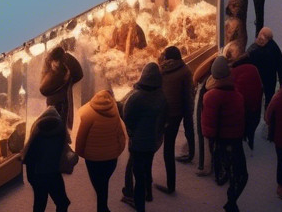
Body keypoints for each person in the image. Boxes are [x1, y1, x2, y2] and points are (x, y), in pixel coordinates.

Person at [201, 56, 248, 212]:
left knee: (232, 170)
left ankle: (230, 198)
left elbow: (208, 124)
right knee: (241, 175)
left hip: (223, 141)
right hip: (232, 140)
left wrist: (212, 141)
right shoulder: (236, 94)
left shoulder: (210, 96)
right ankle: (231, 202)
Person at [121, 62, 167, 212]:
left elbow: (127, 116)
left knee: (138, 174)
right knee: (148, 166)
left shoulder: (136, 97)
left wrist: (132, 132)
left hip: (138, 143)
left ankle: (139, 205)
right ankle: (149, 193)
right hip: (154, 141)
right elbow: (164, 118)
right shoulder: (161, 96)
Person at [75, 89, 127, 212]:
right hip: (111, 158)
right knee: (104, 182)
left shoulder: (86, 112)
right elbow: (120, 132)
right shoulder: (114, 109)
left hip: (93, 158)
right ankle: (103, 207)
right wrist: (119, 149)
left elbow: (81, 138)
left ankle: (102, 207)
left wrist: (81, 153)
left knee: (99, 184)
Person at [157, 46, 194, 195]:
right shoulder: (185, 70)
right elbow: (188, 95)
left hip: (161, 113)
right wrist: (188, 114)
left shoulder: (160, 70)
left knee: (150, 145)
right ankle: (170, 184)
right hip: (176, 114)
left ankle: (148, 182)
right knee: (168, 148)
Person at [21, 107, 72, 212]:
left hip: (36, 174)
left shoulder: (36, 133)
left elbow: (28, 157)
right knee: (63, 202)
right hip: (52, 173)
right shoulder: (61, 133)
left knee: (40, 203)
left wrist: (31, 179)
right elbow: (65, 153)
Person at [39, 47, 83, 129]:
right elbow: (43, 89)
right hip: (56, 101)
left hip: (62, 101)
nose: (56, 64)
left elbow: (79, 74)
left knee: (60, 126)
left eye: (57, 61)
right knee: (56, 125)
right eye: (54, 61)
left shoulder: (67, 61)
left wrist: (70, 82)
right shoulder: (51, 64)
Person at [247, 27, 282, 109]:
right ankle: (268, 113)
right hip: (270, 79)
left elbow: (247, 62)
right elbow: (281, 67)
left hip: (257, 78)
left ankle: (257, 113)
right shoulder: (274, 47)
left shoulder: (253, 48)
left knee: (256, 98)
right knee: (269, 99)